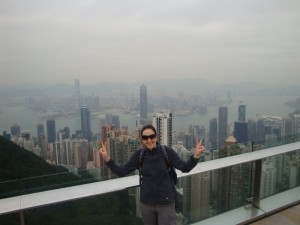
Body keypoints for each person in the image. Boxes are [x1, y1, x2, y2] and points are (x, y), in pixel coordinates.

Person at [99, 124, 205, 225]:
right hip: (146, 204)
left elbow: (184, 167)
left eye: (151, 136)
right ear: (142, 139)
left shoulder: (167, 152)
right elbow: (122, 171)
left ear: (156, 136)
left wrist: (195, 156)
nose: (149, 140)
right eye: (145, 138)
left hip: (166, 202)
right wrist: (107, 159)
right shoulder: (139, 155)